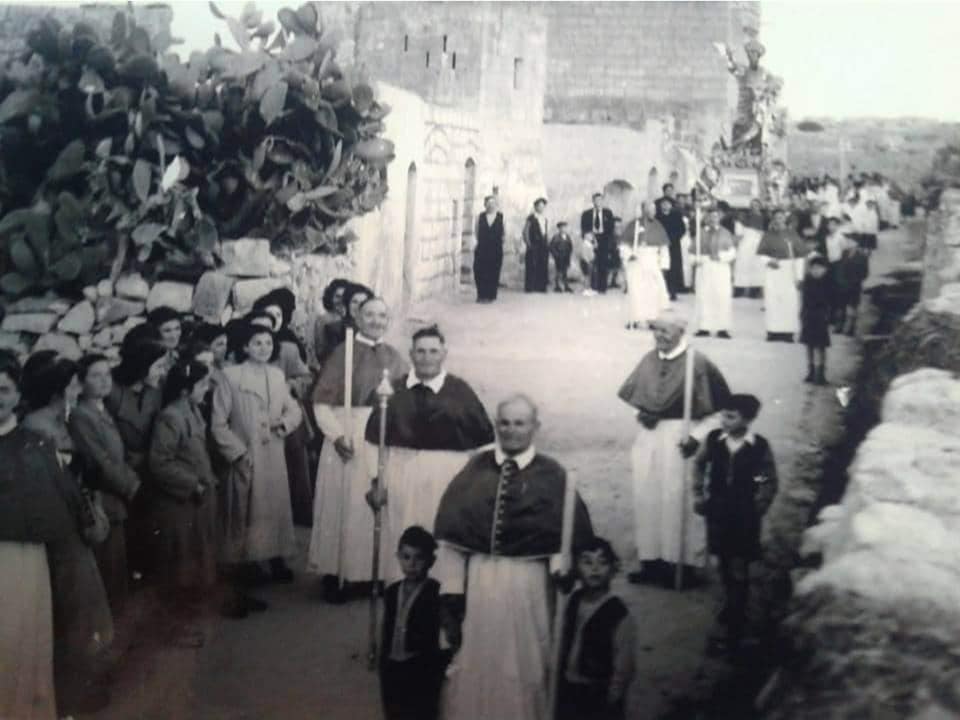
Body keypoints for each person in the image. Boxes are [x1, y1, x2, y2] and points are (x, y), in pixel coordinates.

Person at [433, 394, 594, 720]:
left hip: (528, 585)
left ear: (535, 427)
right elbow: (454, 541)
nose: (511, 430)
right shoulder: (475, 469)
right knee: (479, 654)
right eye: (504, 423)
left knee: (525, 657)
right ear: (496, 424)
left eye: (520, 423)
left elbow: (565, 538)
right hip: (481, 581)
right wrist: (452, 590)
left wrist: (561, 566)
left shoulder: (553, 475)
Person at [0, 350, 93, 720]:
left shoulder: (35, 443)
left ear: (16, 394)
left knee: (22, 638)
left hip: (23, 560)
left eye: (3, 389)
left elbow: (62, 502)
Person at [364, 325, 494, 584]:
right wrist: (376, 482)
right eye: (420, 351)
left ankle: (444, 596)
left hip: (447, 476)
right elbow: (373, 442)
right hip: (403, 474)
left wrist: (478, 487)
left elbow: (484, 444)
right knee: (403, 532)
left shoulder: (460, 391)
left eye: (433, 351)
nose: (426, 357)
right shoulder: (394, 390)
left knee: (443, 538)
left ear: (444, 353)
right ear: (411, 354)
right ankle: (400, 593)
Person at [21, 353, 113, 716]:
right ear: (58, 391)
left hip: (72, 528)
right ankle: (71, 694)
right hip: (62, 533)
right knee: (73, 612)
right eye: (72, 384)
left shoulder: (56, 420)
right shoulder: (40, 428)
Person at [617, 307, 731, 588]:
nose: (659, 336)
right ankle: (652, 561)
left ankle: (684, 565)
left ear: (681, 332)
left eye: (666, 330)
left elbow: (718, 411)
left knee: (678, 500)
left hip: (682, 439)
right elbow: (637, 398)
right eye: (656, 329)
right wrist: (640, 414)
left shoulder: (698, 363)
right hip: (648, 437)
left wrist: (697, 436)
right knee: (647, 497)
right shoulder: (648, 360)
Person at [309, 296, 409, 600]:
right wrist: (337, 436)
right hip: (348, 431)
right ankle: (338, 572)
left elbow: (405, 402)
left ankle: (371, 574)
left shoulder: (394, 357)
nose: (376, 321)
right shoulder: (343, 353)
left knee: (372, 505)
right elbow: (321, 403)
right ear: (358, 318)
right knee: (345, 503)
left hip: (380, 434)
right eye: (370, 315)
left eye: (382, 315)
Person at [211, 318, 302, 587]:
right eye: (257, 343)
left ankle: (274, 556)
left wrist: (283, 423)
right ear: (246, 347)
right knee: (246, 509)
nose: (263, 348)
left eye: (268, 343)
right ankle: (245, 563)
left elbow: (294, 409)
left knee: (273, 505)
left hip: (273, 451)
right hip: (246, 453)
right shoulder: (232, 376)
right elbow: (218, 423)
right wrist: (237, 452)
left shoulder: (276, 375)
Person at [693, 394, 777, 656]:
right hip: (717, 512)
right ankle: (731, 606)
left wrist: (759, 504)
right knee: (724, 563)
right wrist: (698, 494)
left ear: (748, 419)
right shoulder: (714, 441)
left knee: (739, 566)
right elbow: (698, 464)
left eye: (731, 416)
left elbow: (768, 479)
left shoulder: (758, 446)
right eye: (722, 415)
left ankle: (737, 626)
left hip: (744, 516)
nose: (724, 421)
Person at [70, 354, 142, 610]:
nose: (103, 381)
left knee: (119, 568)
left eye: (107, 374)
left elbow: (120, 455)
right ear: (81, 382)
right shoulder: (81, 416)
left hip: (119, 497)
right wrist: (133, 487)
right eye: (95, 375)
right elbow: (101, 463)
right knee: (110, 570)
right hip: (106, 500)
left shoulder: (104, 410)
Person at [148, 361, 220, 605]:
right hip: (182, 501)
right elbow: (160, 463)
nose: (206, 389)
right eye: (201, 385)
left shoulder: (193, 410)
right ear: (184, 390)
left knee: (198, 553)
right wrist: (193, 484)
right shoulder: (171, 417)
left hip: (197, 499)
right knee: (183, 558)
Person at [251, 289, 315, 528]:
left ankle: (299, 516)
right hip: (258, 418)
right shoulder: (243, 351)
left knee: (295, 467)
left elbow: (306, 378)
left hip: (287, 416)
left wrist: (290, 385)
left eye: (274, 319)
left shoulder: (287, 349)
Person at [105, 339, 167, 581]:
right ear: (143, 366)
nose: (162, 372)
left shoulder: (155, 390)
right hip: (123, 470)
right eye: (158, 366)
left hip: (149, 467)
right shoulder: (112, 393)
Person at [557, 537, 635, 720]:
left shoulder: (619, 614)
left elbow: (624, 664)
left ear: (613, 569)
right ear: (576, 568)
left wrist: (613, 696)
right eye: (587, 562)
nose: (595, 568)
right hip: (569, 686)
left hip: (598, 691)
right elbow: (562, 639)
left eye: (603, 562)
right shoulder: (573, 601)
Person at [379, 526, 444, 720]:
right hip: (392, 665)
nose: (412, 564)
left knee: (421, 711)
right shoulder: (391, 592)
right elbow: (387, 628)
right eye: (406, 557)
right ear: (398, 557)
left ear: (431, 561)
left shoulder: (435, 592)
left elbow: (437, 637)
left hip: (420, 667)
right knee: (393, 710)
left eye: (419, 558)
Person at [756, 208, 806, 342]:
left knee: (789, 300)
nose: (779, 220)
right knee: (772, 300)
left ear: (785, 218)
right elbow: (760, 254)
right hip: (773, 271)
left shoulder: (792, 234)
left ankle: (788, 332)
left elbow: (800, 255)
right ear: (773, 219)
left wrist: (799, 276)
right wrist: (769, 260)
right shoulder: (767, 235)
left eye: (781, 217)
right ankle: (773, 331)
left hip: (789, 269)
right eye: (776, 217)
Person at [622, 202, 670, 329]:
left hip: (652, 260)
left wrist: (664, 264)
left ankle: (651, 319)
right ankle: (636, 318)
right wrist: (628, 255)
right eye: (650, 209)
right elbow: (624, 245)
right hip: (637, 261)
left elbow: (664, 248)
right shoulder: (633, 225)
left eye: (654, 209)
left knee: (652, 291)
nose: (653, 212)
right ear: (643, 210)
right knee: (636, 290)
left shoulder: (658, 226)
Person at [691, 207, 736, 339]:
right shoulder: (700, 234)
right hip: (705, 268)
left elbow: (732, 253)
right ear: (706, 218)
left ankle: (722, 328)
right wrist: (696, 260)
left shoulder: (725, 233)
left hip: (721, 268)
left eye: (715, 216)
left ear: (719, 218)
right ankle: (704, 327)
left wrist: (721, 257)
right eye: (710, 217)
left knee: (721, 296)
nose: (712, 219)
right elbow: (692, 252)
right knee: (704, 296)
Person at [799, 255, 833, 385]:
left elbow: (831, 301)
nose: (816, 271)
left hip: (821, 316)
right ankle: (811, 371)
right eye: (813, 268)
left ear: (825, 269)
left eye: (819, 268)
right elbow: (804, 299)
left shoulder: (828, 281)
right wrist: (802, 313)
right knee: (809, 345)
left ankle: (821, 373)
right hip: (809, 315)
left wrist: (830, 316)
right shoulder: (808, 281)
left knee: (821, 346)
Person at [580, 193, 615, 294]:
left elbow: (610, 229)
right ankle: (592, 286)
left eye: (600, 200)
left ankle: (602, 287)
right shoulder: (586, 214)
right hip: (591, 239)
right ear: (593, 201)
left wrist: (608, 242)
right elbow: (584, 229)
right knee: (591, 264)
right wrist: (590, 240)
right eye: (596, 200)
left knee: (603, 263)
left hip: (604, 240)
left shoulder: (608, 213)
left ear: (602, 201)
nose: (598, 202)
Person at [474, 196, 505, 303]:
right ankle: (481, 295)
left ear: (496, 205)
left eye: (493, 203)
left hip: (496, 249)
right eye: (488, 203)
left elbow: (504, 234)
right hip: (482, 248)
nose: (490, 205)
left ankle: (491, 295)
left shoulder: (501, 217)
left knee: (493, 271)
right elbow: (476, 232)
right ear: (485, 205)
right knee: (480, 271)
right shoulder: (480, 217)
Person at [313, 278, 350, 366]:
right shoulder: (323, 320)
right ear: (331, 297)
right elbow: (320, 352)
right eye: (337, 296)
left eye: (344, 297)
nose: (340, 301)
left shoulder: (353, 318)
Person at [655, 196, 686, 300]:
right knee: (661, 268)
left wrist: (673, 238)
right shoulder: (657, 217)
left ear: (671, 205)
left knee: (673, 268)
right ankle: (661, 292)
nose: (665, 206)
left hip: (674, 246)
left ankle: (673, 291)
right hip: (660, 245)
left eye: (667, 204)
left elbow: (682, 229)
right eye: (663, 204)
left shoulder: (676, 216)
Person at [733, 200, 766, 298]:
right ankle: (739, 290)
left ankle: (754, 292)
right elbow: (739, 234)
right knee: (742, 267)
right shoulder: (744, 219)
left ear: (760, 206)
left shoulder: (765, 218)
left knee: (757, 267)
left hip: (759, 245)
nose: (754, 207)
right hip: (745, 245)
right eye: (752, 206)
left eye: (756, 205)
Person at [523, 198, 550, 293]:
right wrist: (529, 243)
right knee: (531, 265)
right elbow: (525, 231)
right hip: (533, 244)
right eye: (539, 206)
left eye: (543, 206)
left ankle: (541, 287)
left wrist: (547, 242)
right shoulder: (530, 218)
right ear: (535, 207)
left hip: (543, 245)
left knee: (542, 264)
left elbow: (545, 232)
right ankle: (530, 287)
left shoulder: (544, 218)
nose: (541, 208)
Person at [146, 306, 183, 374]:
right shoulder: (151, 361)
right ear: (155, 333)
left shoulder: (177, 356)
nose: (174, 336)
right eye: (167, 331)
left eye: (177, 328)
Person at [549, 221, 574, 293]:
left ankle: (566, 286)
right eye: (562, 228)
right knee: (558, 271)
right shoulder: (556, 237)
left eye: (565, 228)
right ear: (559, 229)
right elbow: (552, 247)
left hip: (566, 257)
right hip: (559, 257)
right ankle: (557, 286)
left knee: (565, 271)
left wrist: (569, 254)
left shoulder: (568, 237)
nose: (564, 229)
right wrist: (556, 255)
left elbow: (570, 246)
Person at [579, 232, 598, 297]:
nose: (591, 237)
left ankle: (589, 289)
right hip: (587, 262)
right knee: (587, 276)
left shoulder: (589, 243)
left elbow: (595, 246)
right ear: (586, 237)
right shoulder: (585, 244)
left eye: (591, 236)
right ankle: (586, 289)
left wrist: (595, 239)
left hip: (590, 261)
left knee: (589, 276)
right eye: (590, 236)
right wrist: (587, 261)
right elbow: (584, 254)